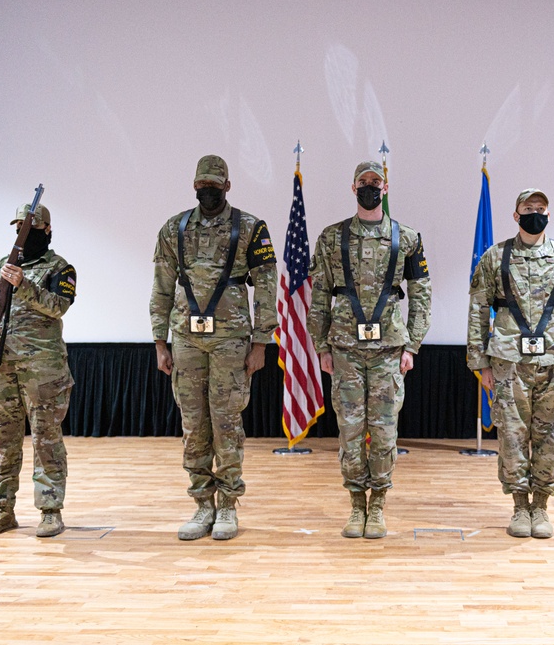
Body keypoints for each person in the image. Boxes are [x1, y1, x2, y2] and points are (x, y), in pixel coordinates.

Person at [150, 155, 278, 541]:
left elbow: (267, 286)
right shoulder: (174, 228)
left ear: (227, 185)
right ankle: (202, 504)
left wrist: (262, 341)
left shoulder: (252, 228)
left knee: (226, 423)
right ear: (194, 186)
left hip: (231, 341)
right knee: (193, 425)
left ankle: (227, 506)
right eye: (201, 185)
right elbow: (161, 287)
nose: (208, 191)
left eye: (214, 185)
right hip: (186, 340)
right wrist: (160, 342)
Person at [308, 160, 432, 539]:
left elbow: (422, 294)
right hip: (344, 347)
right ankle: (355, 504)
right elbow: (319, 297)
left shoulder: (406, 238)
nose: (369, 187)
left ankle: (377, 505)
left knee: (383, 431)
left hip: (387, 351)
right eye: (363, 182)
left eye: (375, 182)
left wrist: (412, 344)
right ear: (353, 187)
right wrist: (321, 346)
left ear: (386, 188)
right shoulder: (332, 238)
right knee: (349, 430)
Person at [467, 189, 554, 539]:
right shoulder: (495, 257)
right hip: (508, 361)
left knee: (551, 434)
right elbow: (478, 310)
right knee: (512, 434)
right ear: (516, 214)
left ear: (549, 214)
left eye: (541, 208)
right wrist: (480, 363)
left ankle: (542, 506)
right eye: (527, 208)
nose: (535, 212)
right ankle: (520, 506)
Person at [0, 203, 76, 538]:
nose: (24, 234)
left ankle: (49, 511)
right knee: (4, 441)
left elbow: (59, 307)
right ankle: (2, 510)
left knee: (46, 441)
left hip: (44, 372)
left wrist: (25, 286)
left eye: (31, 228)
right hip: (1, 367)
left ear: (47, 231)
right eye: (19, 227)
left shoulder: (60, 268)